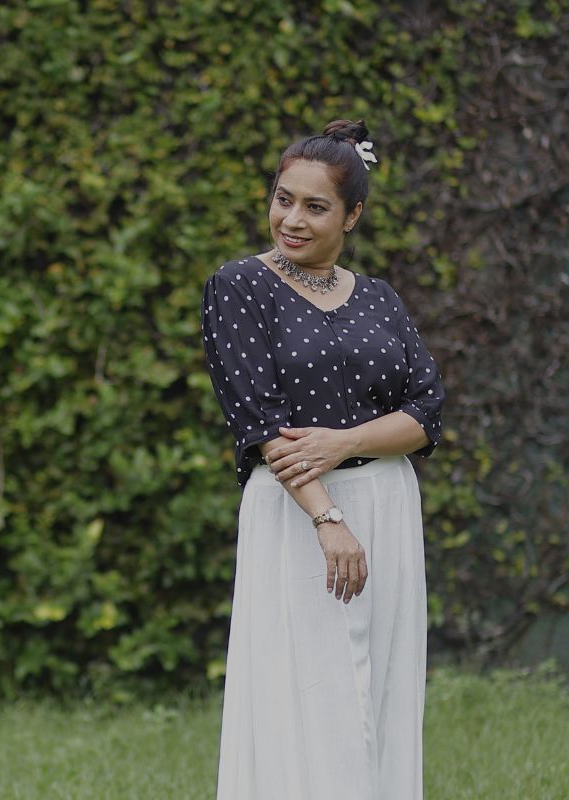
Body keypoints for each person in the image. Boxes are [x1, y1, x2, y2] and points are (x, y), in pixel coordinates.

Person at [201, 119, 445, 800]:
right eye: (284, 199)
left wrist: (346, 441)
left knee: (382, 690)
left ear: (352, 215)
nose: (292, 220)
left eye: (315, 206)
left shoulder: (379, 298)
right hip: (297, 510)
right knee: (313, 690)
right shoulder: (239, 286)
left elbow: (425, 412)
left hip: (389, 505)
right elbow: (261, 423)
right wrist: (327, 517)